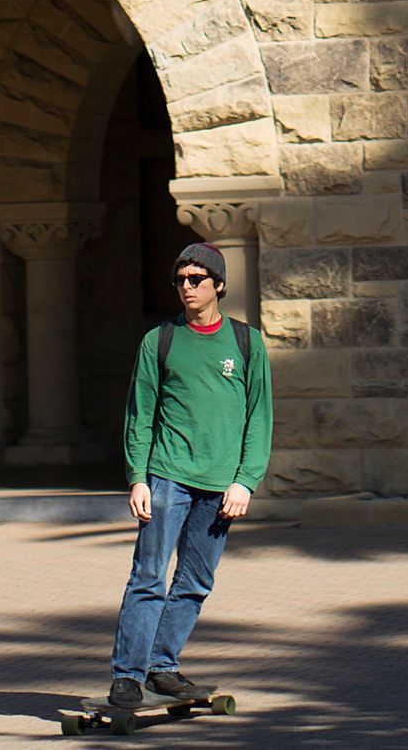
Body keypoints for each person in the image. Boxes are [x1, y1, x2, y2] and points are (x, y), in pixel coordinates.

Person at [104, 241, 271, 715]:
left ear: (218, 284)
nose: (187, 287)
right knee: (149, 578)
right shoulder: (160, 340)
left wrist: (246, 481)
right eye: (180, 280)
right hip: (167, 477)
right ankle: (128, 677)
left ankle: (162, 666)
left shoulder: (246, 342)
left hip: (220, 487)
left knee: (195, 581)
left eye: (197, 279)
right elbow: (140, 415)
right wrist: (138, 477)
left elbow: (259, 417)